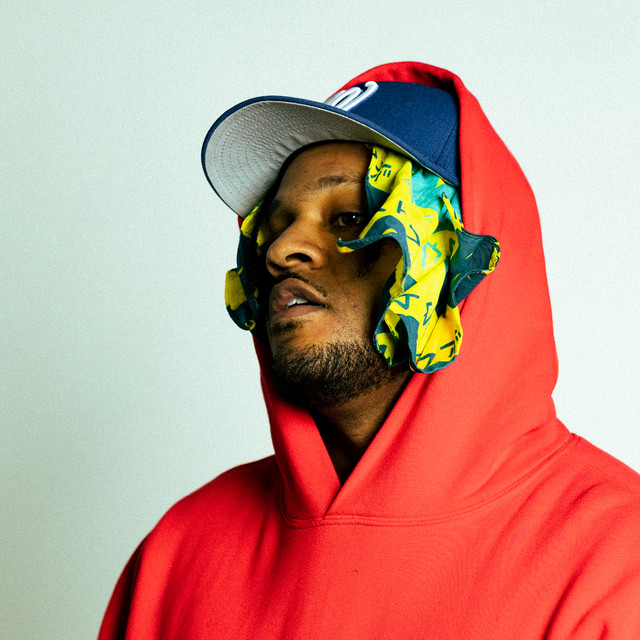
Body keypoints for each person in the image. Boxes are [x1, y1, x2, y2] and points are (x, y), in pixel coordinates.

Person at [99, 61, 640, 639]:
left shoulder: (615, 562)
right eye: (275, 225)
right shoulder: (179, 552)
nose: (281, 251)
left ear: (461, 262)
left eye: (351, 217)